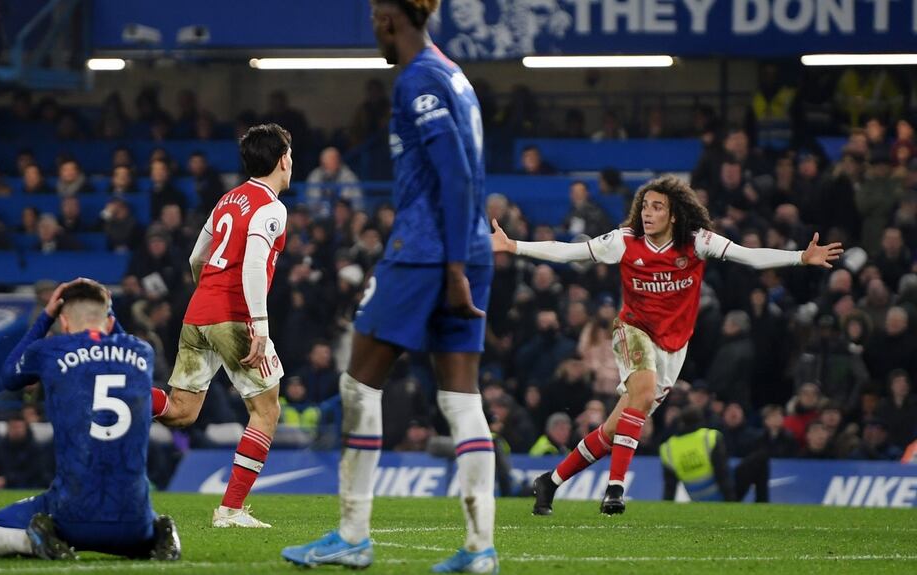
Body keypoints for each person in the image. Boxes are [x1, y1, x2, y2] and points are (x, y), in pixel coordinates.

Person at [282, 2, 497, 572]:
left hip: (427, 251)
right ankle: (481, 549)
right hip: (470, 248)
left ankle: (352, 535)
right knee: (460, 398)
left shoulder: (418, 78)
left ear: (386, 19)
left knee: (358, 387)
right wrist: (464, 260)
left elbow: (452, 169)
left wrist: (449, 267)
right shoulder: (454, 74)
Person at [491, 174, 842, 515]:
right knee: (641, 395)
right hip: (633, 331)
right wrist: (513, 245)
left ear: (673, 215)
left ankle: (549, 482)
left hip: (674, 347)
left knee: (615, 430)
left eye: (657, 207)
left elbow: (747, 256)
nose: (647, 212)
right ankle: (615, 489)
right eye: (644, 205)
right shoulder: (624, 241)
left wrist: (799, 257)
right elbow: (569, 252)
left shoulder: (696, 242)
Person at [0, 279, 179, 561]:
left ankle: (34, 541)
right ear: (107, 320)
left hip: (70, 514)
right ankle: (164, 536)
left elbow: (8, 376)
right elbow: (120, 341)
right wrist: (107, 312)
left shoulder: (52, 351)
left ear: (64, 322)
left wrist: (46, 316)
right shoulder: (142, 352)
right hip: (134, 522)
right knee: (142, 524)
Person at [150, 124, 291, 529]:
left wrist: (208, 295)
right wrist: (259, 327)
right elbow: (250, 264)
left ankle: (124, 396)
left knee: (180, 411)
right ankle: (230, 510)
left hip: (199, 312)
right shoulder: (272, 207)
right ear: (283, 159)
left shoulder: (228, 199)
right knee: (266, 410)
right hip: (236, 316)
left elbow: (198, 256)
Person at [660, 408, 769, 502]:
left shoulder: (668, 447)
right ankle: (762, 502)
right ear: (701, 419)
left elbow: (670, 487)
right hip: (721, 493)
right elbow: (722, 472)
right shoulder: (709, 437)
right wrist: (730, 502)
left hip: (696, 498)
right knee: (761, 457)